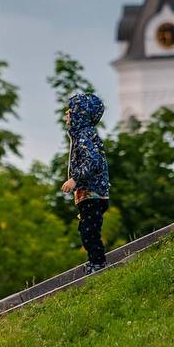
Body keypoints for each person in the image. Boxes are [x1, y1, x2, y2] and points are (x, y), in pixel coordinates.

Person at [61, 93, 111, 274]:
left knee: (90, 230)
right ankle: (94, 261)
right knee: (86, 229)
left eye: (69, 112)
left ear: (79, 115)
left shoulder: (84, 136)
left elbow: (93, 161)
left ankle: (98, 263)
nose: (66, 115)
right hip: (89, 194)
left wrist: (75, 179)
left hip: (93, 193)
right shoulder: (81, 136)